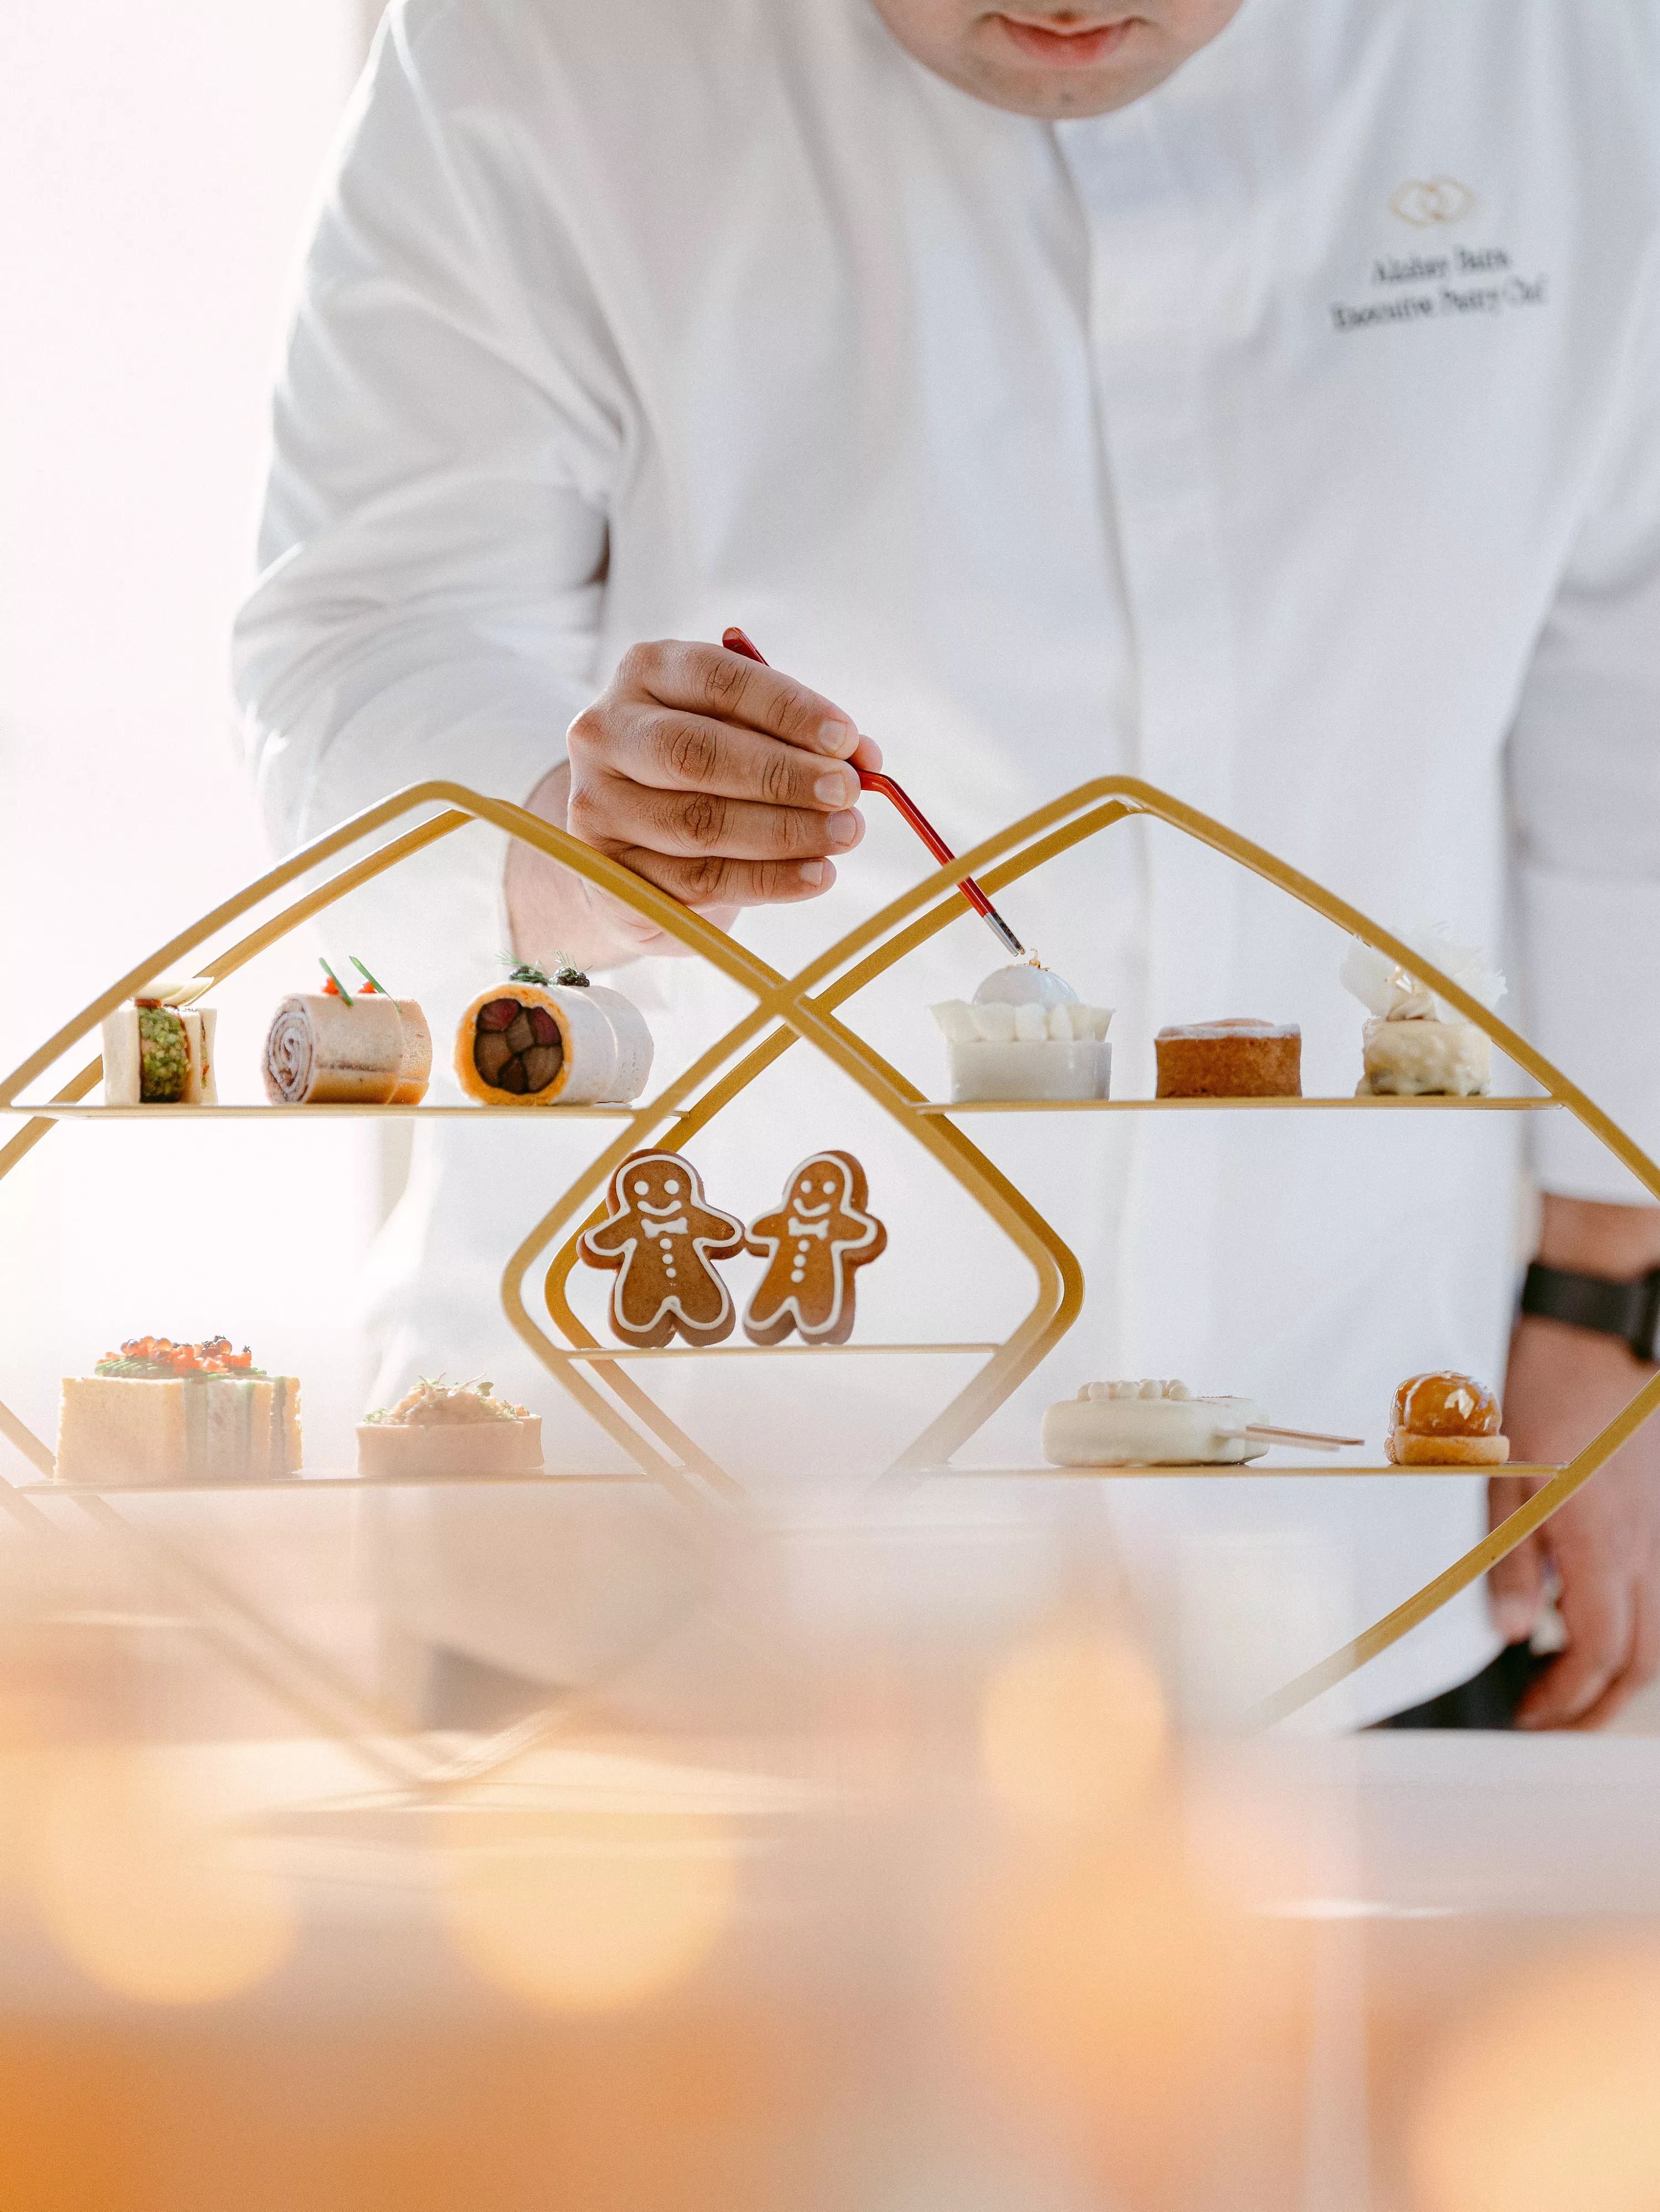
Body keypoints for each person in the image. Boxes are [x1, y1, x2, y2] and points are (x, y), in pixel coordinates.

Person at [235, 0, 1660, 1729]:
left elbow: (1626, 704)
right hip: (658, 1563)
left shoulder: (1567, 51)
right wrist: (569, 837)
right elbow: (363, 641)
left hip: (1357, 1532)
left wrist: (1608, 1302)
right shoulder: (534, 49)